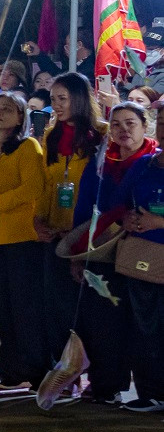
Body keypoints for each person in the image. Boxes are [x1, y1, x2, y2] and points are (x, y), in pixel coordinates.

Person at [71, 102, 157, 405]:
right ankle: (105, 383)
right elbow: (84, 208)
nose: (123, 130)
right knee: (102, 318)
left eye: (130, 123)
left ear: (145, 125)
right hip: (103, 250)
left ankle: (150, 391)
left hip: (143, 251)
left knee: (142, 323)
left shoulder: (152, 162)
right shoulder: (100, 163)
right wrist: (79, 252)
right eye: (116, 124)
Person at [0, 91, 49, 389]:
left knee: (25, 307)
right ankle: (8, 370)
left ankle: (36, 369)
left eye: (8, 109)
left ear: (21, 117)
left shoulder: (28, 147)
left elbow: (33, 188)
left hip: (21, 237)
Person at [36, 73, 103, 356]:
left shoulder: (101, 135)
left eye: (62, 99)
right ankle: (63, 370)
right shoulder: (51, 136)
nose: (57, 105)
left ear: (80, 98)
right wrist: (40, 220)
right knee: (55, 304)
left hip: (88, 233)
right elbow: (46, 184)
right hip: (55, 234)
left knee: (89, 306)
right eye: (53, 99)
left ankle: (93, 371)